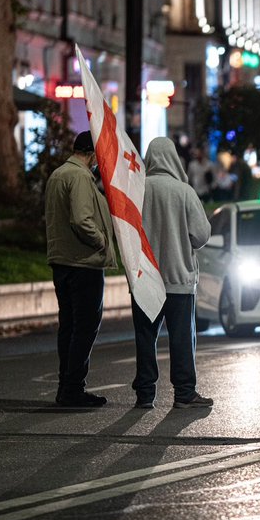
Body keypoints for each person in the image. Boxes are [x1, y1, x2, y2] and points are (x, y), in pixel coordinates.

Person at [132, 137, 214, 410]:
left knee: (145, 337)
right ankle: (184, 393)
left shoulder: (138, 190)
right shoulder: (184, 192)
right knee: (181, 339)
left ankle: (145, 393)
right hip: (179, 279)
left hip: (145, 280)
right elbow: (201, 234)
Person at [44, 130, 117, 407]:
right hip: (83, 262)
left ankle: (66, 386)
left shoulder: (58, 174)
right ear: (92, 153)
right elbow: (82, 219)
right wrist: (101, 242)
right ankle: (73, 388)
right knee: (85, 327)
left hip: (62, 261)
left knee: (69, 326)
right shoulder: (80, 177)